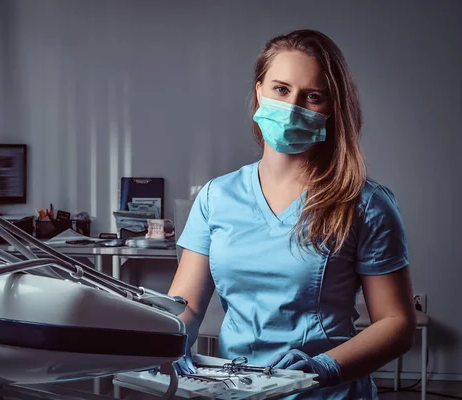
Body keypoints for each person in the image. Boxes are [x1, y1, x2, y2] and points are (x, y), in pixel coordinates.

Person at [168, 29, 416, 399]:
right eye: (281, 90)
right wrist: (168, 346)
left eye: (312, 97)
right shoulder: (216, 197)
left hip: (326, 393)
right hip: (237, 388)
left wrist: (324, 367)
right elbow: (186, 307)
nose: (292, 107)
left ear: (332, 108)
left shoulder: (365, 204)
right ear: (259, 92)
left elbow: (397, 323)